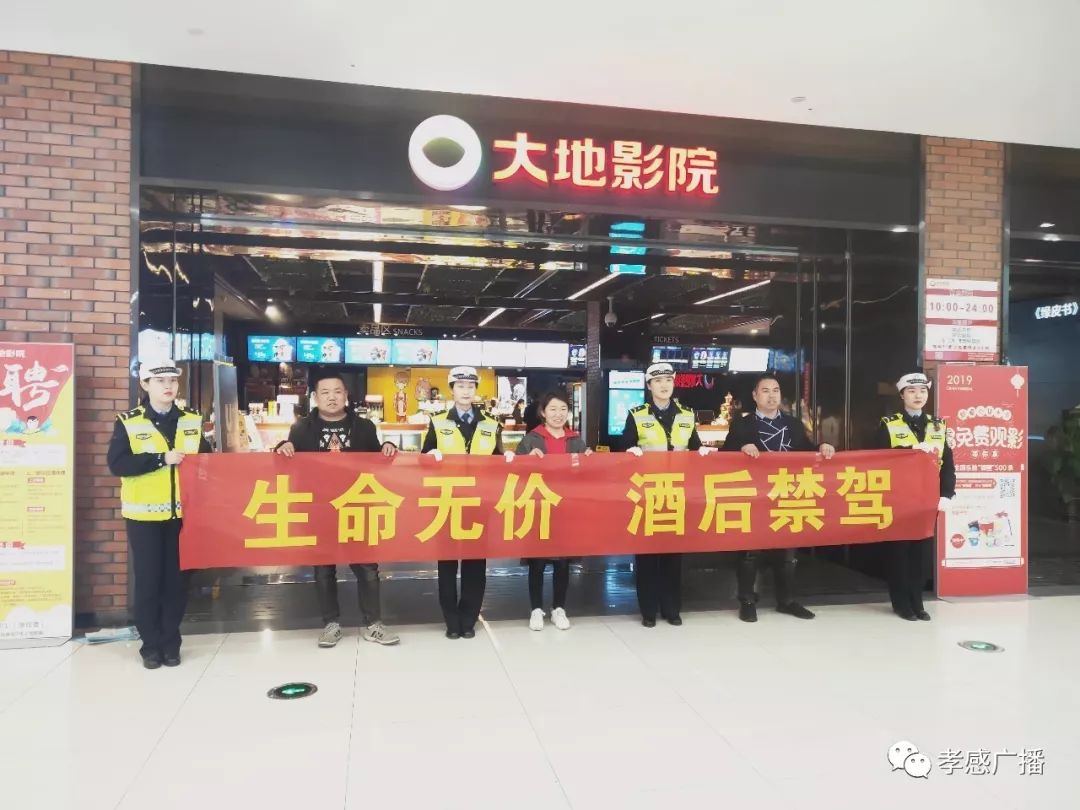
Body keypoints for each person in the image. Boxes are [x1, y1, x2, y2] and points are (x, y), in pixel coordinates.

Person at [275, 373, 400, 647]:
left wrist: (388, 448)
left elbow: (378, 459)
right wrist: (282, 447)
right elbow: (284, 458)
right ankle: (331, 624)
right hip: (319, 509)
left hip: (357, 506)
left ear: (346, 395)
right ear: (315, 397)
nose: (331, 397)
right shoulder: (301, 429)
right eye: (325, 392)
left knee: (367, 568)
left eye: (337, 391)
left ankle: (373, 624)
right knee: (323, 570)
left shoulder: (364, 427)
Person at [107, 359, 210, 669]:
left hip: (183, 516)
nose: (168, 386)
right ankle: (150, 646)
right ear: (145, 385)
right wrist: (160, 459)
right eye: (160, 381)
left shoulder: (191, 420)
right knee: (149, 581)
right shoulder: (129, 422)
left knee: (176, 583)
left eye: (173, 381)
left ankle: (171, 643)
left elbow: (207, 461)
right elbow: (118, 464)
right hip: (144, 517)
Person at [721, 373, 836, 623]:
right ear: (755, 396)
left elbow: (806, 450)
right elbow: (723, 455)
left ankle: (787, 600)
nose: (771, 396)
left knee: (787, 553)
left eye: (775, 390)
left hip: (786, 495)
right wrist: (740, 449)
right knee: (750, 552)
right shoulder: (742, 425)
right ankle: (747, 600)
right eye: (765, 391)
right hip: (753, 497)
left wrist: (822, 447)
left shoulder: (793, 424)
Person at [623, 362, 713, 627]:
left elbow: (694, 446)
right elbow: (624, 447)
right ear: (649, 386)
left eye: (668, 381)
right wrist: (630, 451)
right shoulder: (637, 414)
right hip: (648, 493)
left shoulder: (687, 414)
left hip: (678, 492)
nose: (664, 385)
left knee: (674, 553)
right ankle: (648, 611)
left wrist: (702, 452)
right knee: (647, 553)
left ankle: (672, 609)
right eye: (658, 381)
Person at [422, 366, 503, 639]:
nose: (466, 391)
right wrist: (430, 456)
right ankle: (451, 621)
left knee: (475, 563)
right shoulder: (437, 422)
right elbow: (424, 459)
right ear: (451, 389)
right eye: (460, 386)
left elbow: (498, 461)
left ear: (476, 390)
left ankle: (468, 620)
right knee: (447, 564)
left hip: (479, 503)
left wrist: (508, 460)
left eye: (470, 386)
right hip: (447, 501)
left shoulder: (491, 423)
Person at [875, 372, 955, 621]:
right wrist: (909, 449)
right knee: (899, 553)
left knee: (921, 554)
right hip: (898, 498)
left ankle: (917, 602)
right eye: (911, 391)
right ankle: (901, 603)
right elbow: (878, 458)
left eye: (922, 391)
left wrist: (947, 493)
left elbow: (948, 463)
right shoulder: (889, 423)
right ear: (902, 395)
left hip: (927, 499)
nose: (918, 395)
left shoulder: (938, 425)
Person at [514, 389, 591, 631]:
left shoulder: (576, 441)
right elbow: (514, 470)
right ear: (543, 413)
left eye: (563, 409)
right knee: (537, 562)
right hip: (538, 508)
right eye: (553, 409)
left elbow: (587, 476)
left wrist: (591, 461)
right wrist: (526, 459)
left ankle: (559, 608)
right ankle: (536, 609)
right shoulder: (531, 439)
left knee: (562, 563)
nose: (558, 414)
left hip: (566, 511)